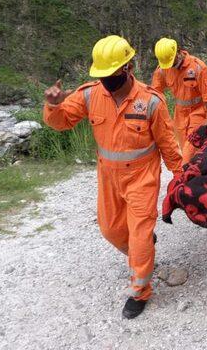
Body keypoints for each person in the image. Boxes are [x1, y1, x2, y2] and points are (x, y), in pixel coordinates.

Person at [42, 35, 182, 320]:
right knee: (110, 229)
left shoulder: (151, 102)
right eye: (102, 74)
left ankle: (140, 291)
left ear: (128, 67)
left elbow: (168, 144)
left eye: (112, 73)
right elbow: (61, 122)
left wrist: (180, 177)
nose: (107, 79)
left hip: (142, 177)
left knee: (140, 235)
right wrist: (53, 106)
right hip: (108, 177)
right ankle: (141, 253)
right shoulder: (90, 95)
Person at [151, 38, 207, 163]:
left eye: (172, 61)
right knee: (188, 153)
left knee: (188, 155)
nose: (171, 65)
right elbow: (154, 95)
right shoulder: (163, 69)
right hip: (179, 117)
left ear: (178, 52)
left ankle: (187, 178)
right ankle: (197, 179)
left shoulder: (198, 68)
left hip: (199, 113)